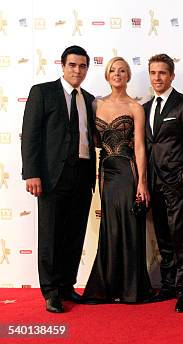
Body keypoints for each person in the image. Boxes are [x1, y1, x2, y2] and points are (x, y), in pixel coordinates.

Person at [22, 45, 96, 313]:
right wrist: (32, 173)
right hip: (52, 177)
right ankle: (51, 291)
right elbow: (30, 135)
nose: (77, 70)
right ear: (63, 66)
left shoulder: (89, 99)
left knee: (74, 234)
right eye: (73, 65)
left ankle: (67, 286)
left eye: (83, 66)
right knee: (51, 234)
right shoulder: (42, 92)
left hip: (82, 175)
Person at [82, 57, 154, 304]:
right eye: (113, 70)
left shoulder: (136, 107)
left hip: (128, 171)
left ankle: (132, 289)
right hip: (106, 172)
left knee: (130, 225)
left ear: (128, 76)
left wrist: (142, 182)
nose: (117, 74)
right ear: (107, 74)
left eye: (122, 70)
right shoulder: (95, 104)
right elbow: (91, 139)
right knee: (110, 227)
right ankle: (108, 286)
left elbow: (140, 147)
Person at [144, 54, 183, 313]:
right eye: (153, 73)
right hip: (153, 183)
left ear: (171, 76)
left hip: (175, 183)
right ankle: (168, 285)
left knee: (180, 238)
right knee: (163, 238)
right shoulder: (145, 107)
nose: (157, 77)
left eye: (162, 73)